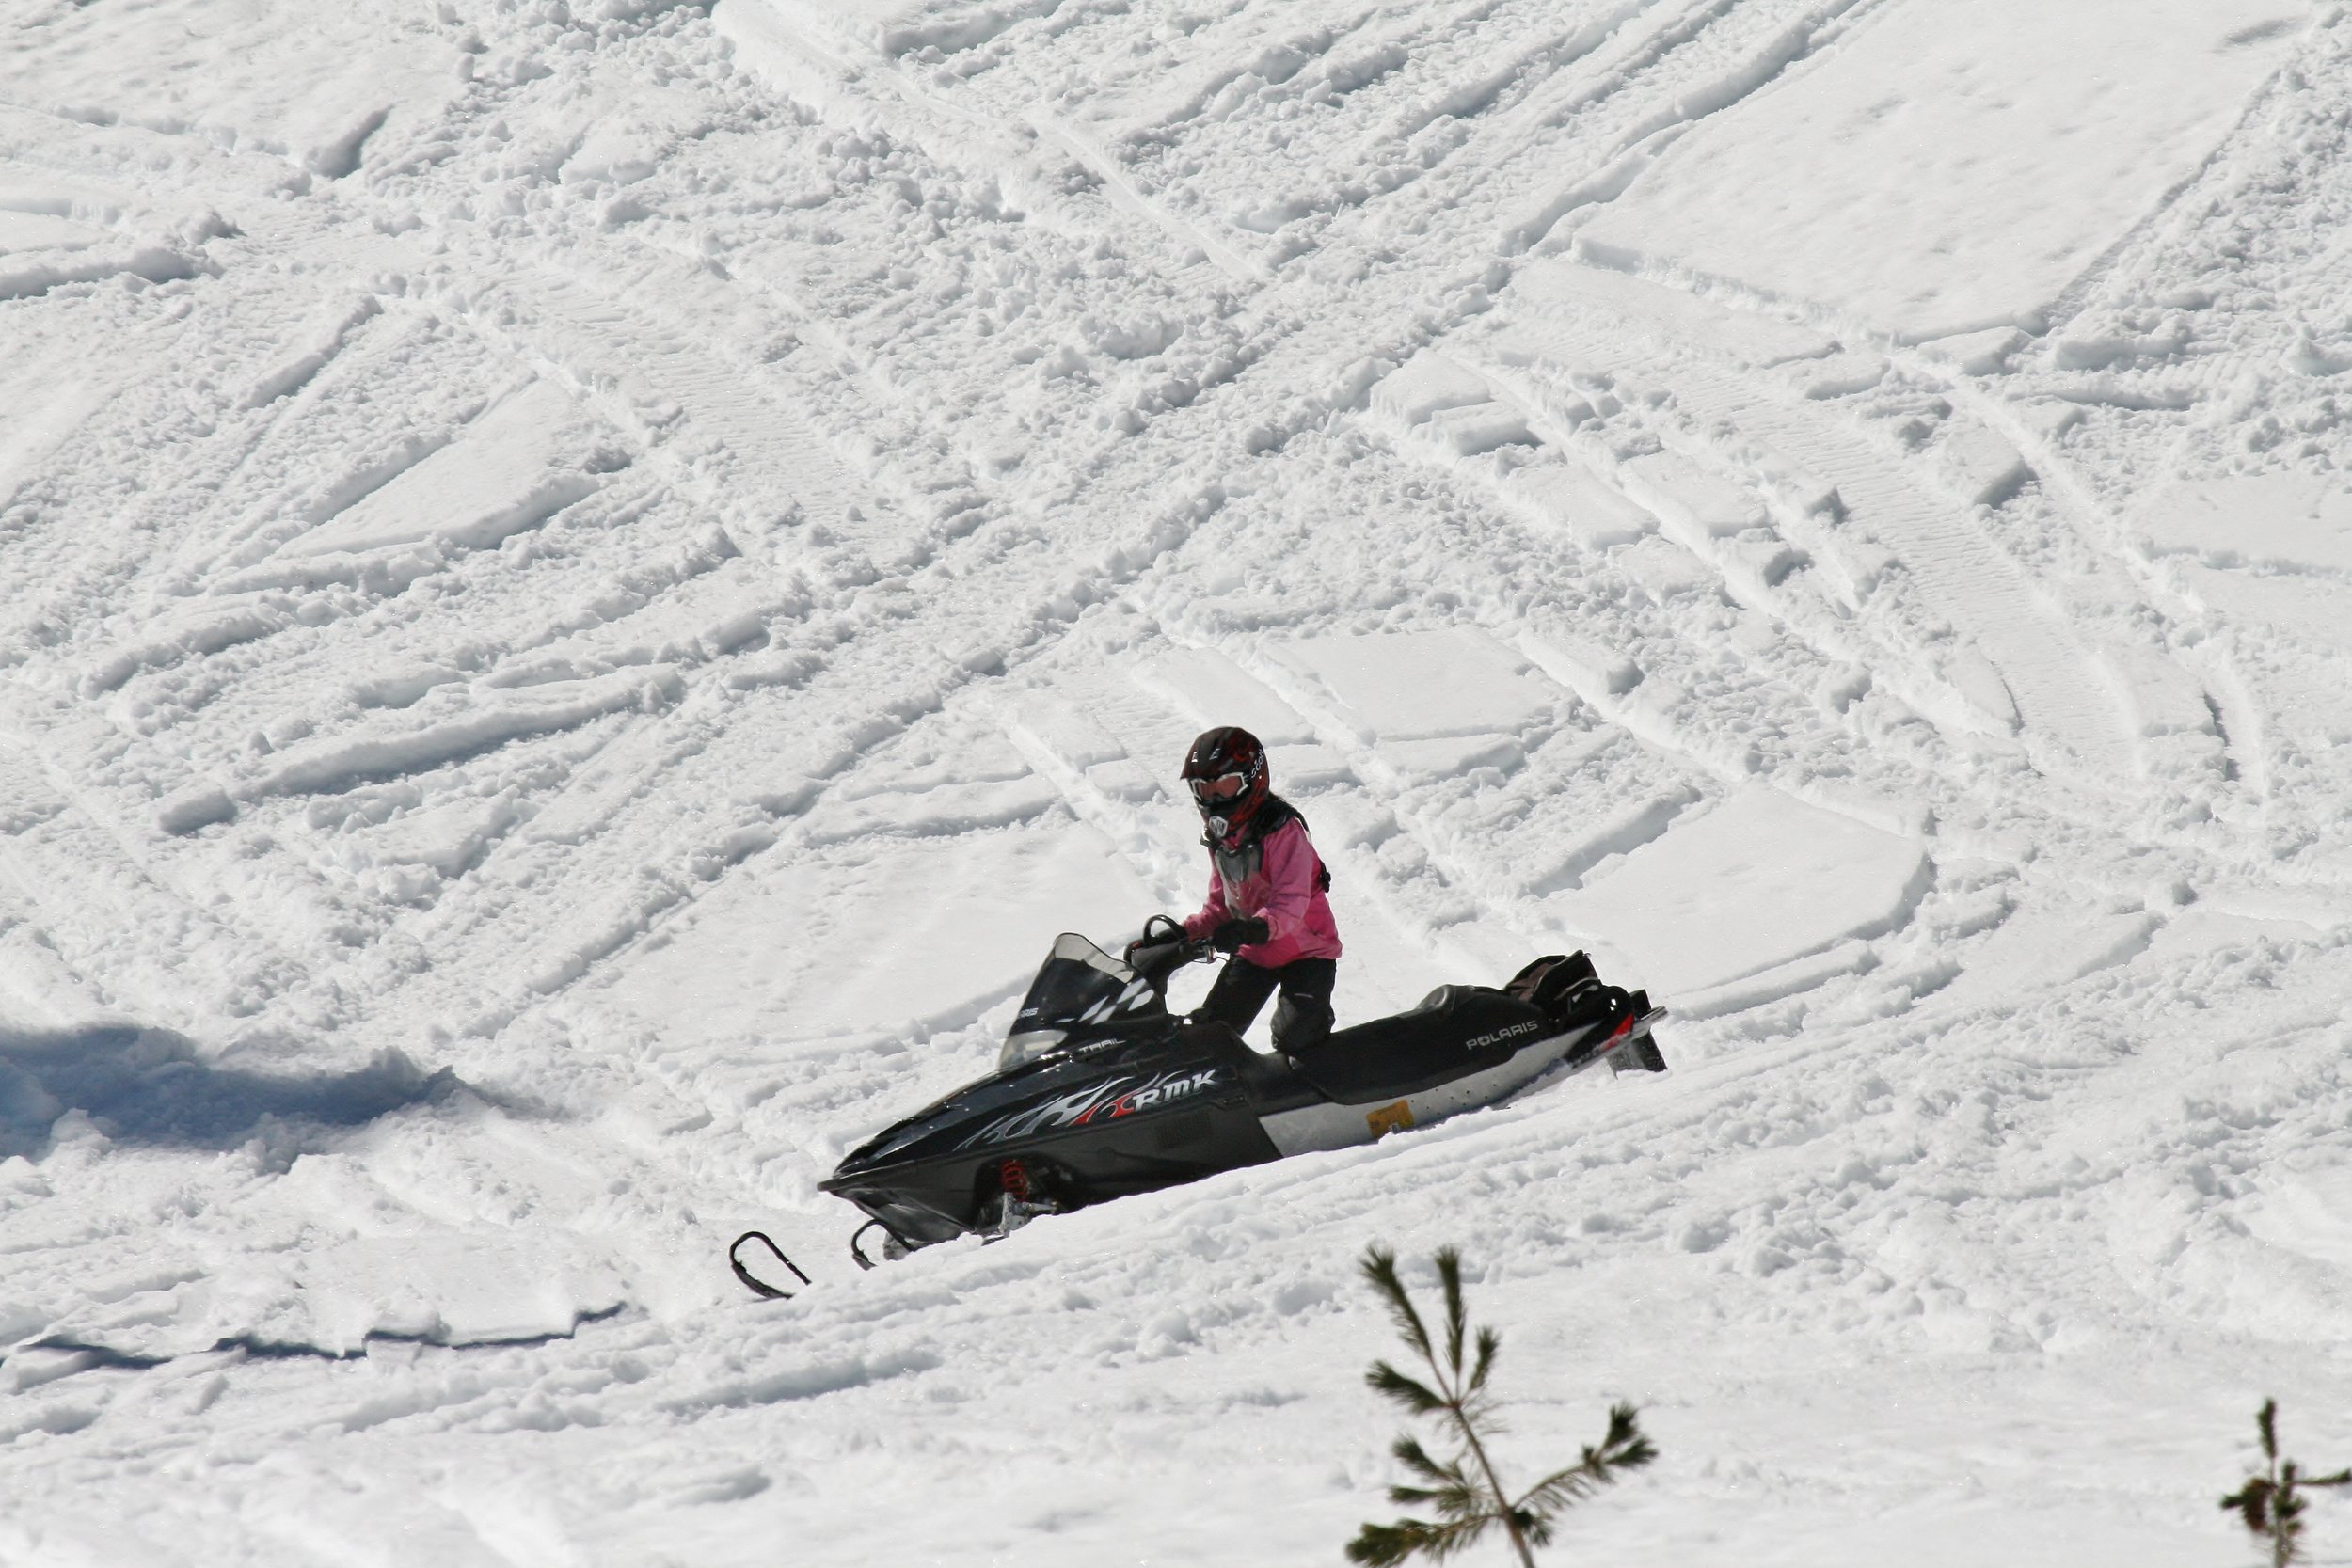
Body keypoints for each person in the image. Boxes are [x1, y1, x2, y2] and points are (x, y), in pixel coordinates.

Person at [1159, 725, 1342, 1056]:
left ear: (1252, 780)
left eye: (1225, 787)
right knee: (1210, 1038)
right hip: (1256, 952)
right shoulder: (1222, 839)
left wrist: (1252, 928)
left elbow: (1291, 902)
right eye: (1204, 790)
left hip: (1307, 951)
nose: (1214, 800)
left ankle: (1319, 1044)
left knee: (1296, 1036)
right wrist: (1180, 935)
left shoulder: (1282, 830)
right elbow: (1221, 907)